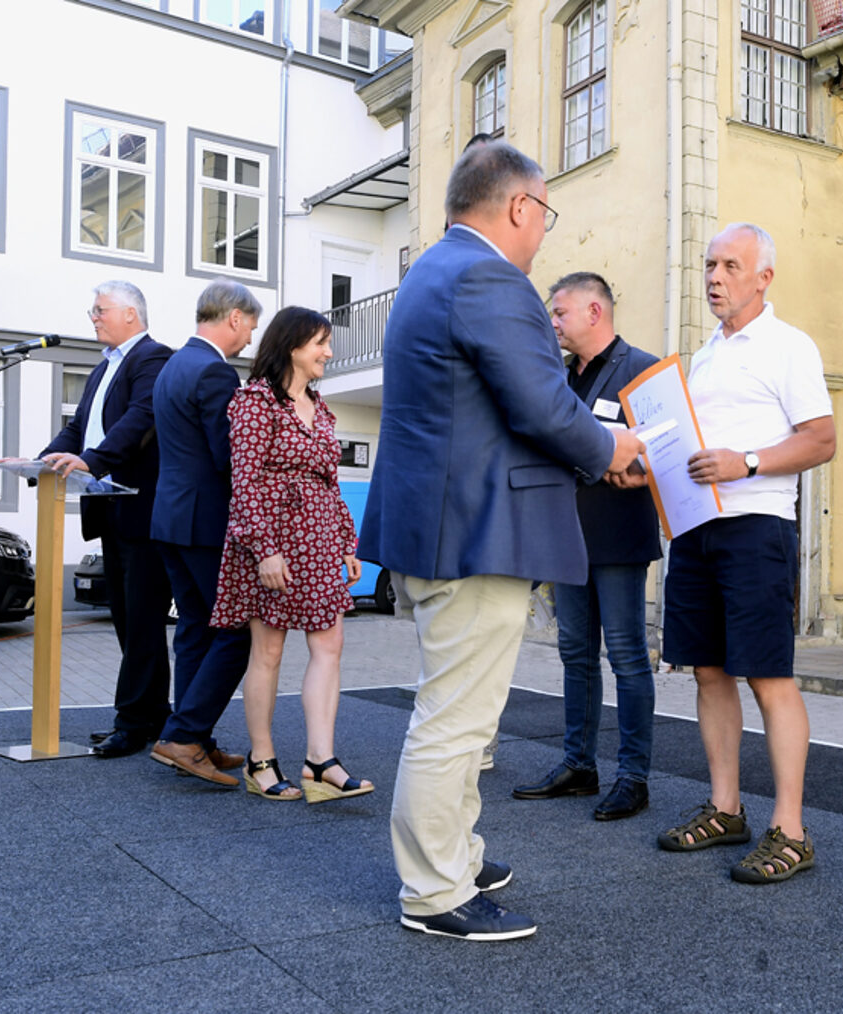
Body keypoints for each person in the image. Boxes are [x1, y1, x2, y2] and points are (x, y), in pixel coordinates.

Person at [359, 141, 643, 942]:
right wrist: (613, 449)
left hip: (442, 526)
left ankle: (455, 849)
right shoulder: (491, 278)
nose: (543, 233)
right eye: (544, 214)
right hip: (478, 532)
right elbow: (544, 408)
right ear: (520, 207)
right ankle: (435, 891)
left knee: (461, 713)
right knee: (456, 718)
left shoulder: (430, 272)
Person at [656, 223, 835, 886]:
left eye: (731, 265)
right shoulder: (702, 357)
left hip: (757, 526)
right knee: (707, 672)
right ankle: (726, 808)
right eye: (709, 264)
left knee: (768, 677)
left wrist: (747, 463)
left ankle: (789, 829)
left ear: (763, 277)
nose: (714, 277)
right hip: (697, 528)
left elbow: (821, 439)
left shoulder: (789, 346)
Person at [512, 272, 661, 821]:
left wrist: (640, 469)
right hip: (567, 537)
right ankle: (579, 765)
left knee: (626, 659)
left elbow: (666, 450)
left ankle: (633, 777)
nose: (553, 323)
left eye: (560, 313)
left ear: (595, 312)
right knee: (575, 654)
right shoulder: (559, 376)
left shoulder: (643, 370)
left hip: (620, 536)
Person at [209, 306, 372, 806]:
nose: (328, 352)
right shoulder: (253, 402)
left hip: (320, 538)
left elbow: (331, 482)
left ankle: (320, 761)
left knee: (331, 646)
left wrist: (347, 540)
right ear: (292, 346)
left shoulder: (321, 410)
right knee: (270, 651)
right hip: (273, 541)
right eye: (321, 342)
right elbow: (246, 483)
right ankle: (262, 759)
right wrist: (265, 550)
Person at [41, 280, 173, 759]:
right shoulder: (104, 369)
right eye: (92, 310)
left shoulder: (154, 359)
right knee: (127, 621)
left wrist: (92, 461)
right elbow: (78, 428)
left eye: (100, 310)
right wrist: (45, 460)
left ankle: (132, 723)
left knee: (140, 622)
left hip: (141, 508)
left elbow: (139, 420)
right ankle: (154, 717)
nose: (92, 317)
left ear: (131, 315)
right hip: (111, 509)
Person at [147, 279, 262, 786]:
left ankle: (196, 740)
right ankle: (186, 735)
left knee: (195, 629)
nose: (251, 340)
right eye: (251, 327)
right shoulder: (215, 372)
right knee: (237, 633)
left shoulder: (173, 365)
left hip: (170, 519)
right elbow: (228, 457)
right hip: (206, 524)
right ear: (234, 317)